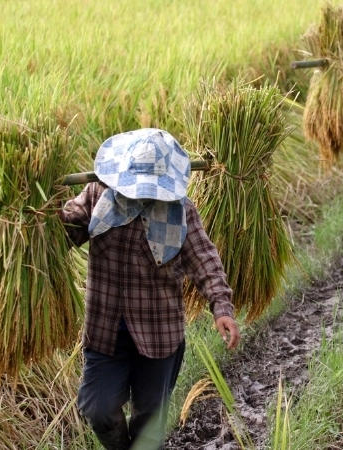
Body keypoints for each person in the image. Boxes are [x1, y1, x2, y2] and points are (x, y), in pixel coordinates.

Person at [60, 128, 241, 450]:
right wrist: (37, 215)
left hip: (159, 334)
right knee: (97, 408)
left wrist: (221, 307)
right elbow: (66, 230)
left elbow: (205, 259)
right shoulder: (96, 195)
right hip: (105, 331)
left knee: (148, 423)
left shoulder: (180, 211)